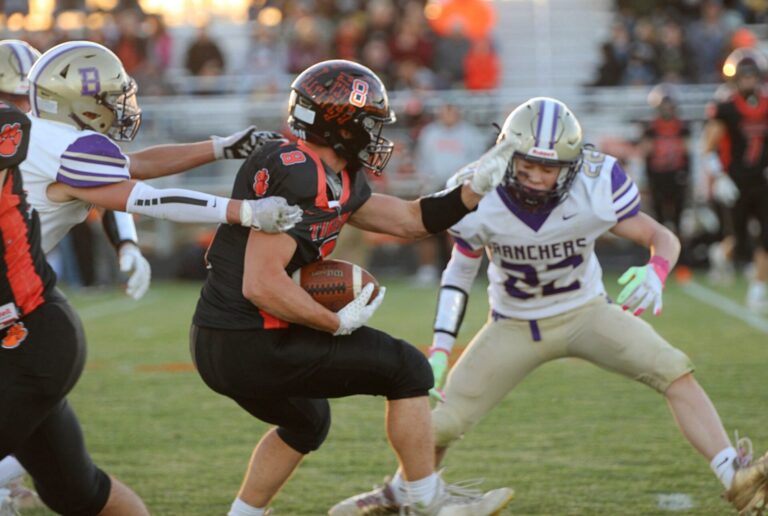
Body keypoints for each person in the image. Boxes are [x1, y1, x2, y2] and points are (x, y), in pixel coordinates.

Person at [333, 97, 768, 515]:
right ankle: (400, 492)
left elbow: (663, 236)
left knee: (672, 368)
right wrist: (443, 346)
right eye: (527, 164)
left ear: (573, 164)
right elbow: (459, 272)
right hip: (514, 325)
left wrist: (657, 269)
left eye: (549, 166)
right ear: (506, 155)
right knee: (442, 422)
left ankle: (733, 474)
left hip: (586, 312)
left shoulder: (595, 182)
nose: (538, 177)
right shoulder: (476, 189)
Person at [190, 59, 515, 516]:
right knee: (406, 369)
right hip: (249, 338)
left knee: (306, 421)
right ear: (340, 124)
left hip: (221, 339)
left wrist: (473, 189)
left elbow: (408, 220)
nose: (377, 134)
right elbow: (261, 283)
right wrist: (333, 322)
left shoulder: (333, 175)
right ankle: (425, 501)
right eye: (370, 122)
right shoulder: (296, 171)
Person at [0, 40, 302, 514]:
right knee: (78, 493)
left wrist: (223, 160)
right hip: (26, 323)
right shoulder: (58, 143)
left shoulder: (44, 140)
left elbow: (136, 184)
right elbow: (140, 189)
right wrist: (243, 209)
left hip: (26, 328)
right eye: (109, 99)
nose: (119, 109)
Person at [0, 101, 150, 516]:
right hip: (26, 332)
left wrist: (230, 203)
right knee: (74, 490)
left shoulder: (22, 136)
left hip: (26, 332)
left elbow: (121, 175)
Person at [702, 47, 768, 311]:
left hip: (762, 180)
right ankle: (720, 254)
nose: (749, 81)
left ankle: (758, 290)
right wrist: (719, 177)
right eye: (744, 76)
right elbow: (707, 147)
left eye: (752, 76)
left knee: (765, 237)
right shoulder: (725, 108)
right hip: (735, 181)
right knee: (738, 240)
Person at [413, 102, 487, 285]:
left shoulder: (470, 134)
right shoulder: (429, 133)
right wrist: (425, 180)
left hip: (460, 187)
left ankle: (459, 269)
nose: (447, 114)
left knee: (457, 230)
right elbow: (422, 159)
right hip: (434, 185)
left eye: (451, 110)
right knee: (425, 227)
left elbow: (477, 162)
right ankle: (427, 270)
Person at [640, 83, 691, 236]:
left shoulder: (682, 127)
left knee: (678, 217)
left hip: (676, 173)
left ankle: (679, 253)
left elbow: (687, 152)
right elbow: (646, 154)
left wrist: (685, 173)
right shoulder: (651, 128)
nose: (667, 109)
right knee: (659, 218)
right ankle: (660, 253)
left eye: (670, 106)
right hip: (658, 175)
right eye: (664, 106)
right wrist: (649, 178)